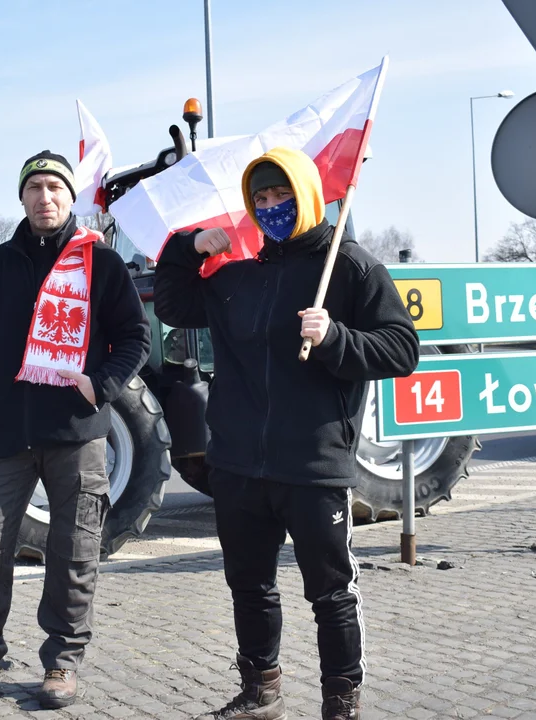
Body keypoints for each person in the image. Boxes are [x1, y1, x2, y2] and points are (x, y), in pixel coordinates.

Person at [154, 147, 419, 720]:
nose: (273, 207)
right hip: (239, 465)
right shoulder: (238, 277)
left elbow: (402, 350)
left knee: (329, 594)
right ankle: (260, 692)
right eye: (262, 199)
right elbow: (173, 304)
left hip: (313, 465)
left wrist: (336, 339)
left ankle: (340, 703)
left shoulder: (349, 267)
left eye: (282, 196)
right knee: (249, 586)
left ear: (306, 195)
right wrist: (186, 246)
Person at [0, 151, 151, 710]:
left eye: (55, 187)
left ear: (70, 196)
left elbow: (134, 338)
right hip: (7, 433)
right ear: (22, 197)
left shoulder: (99, 264)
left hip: (76, 434)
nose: (45, 197)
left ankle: (62, 663)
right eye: (35, 188)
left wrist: (100, 384)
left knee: (75, 550)